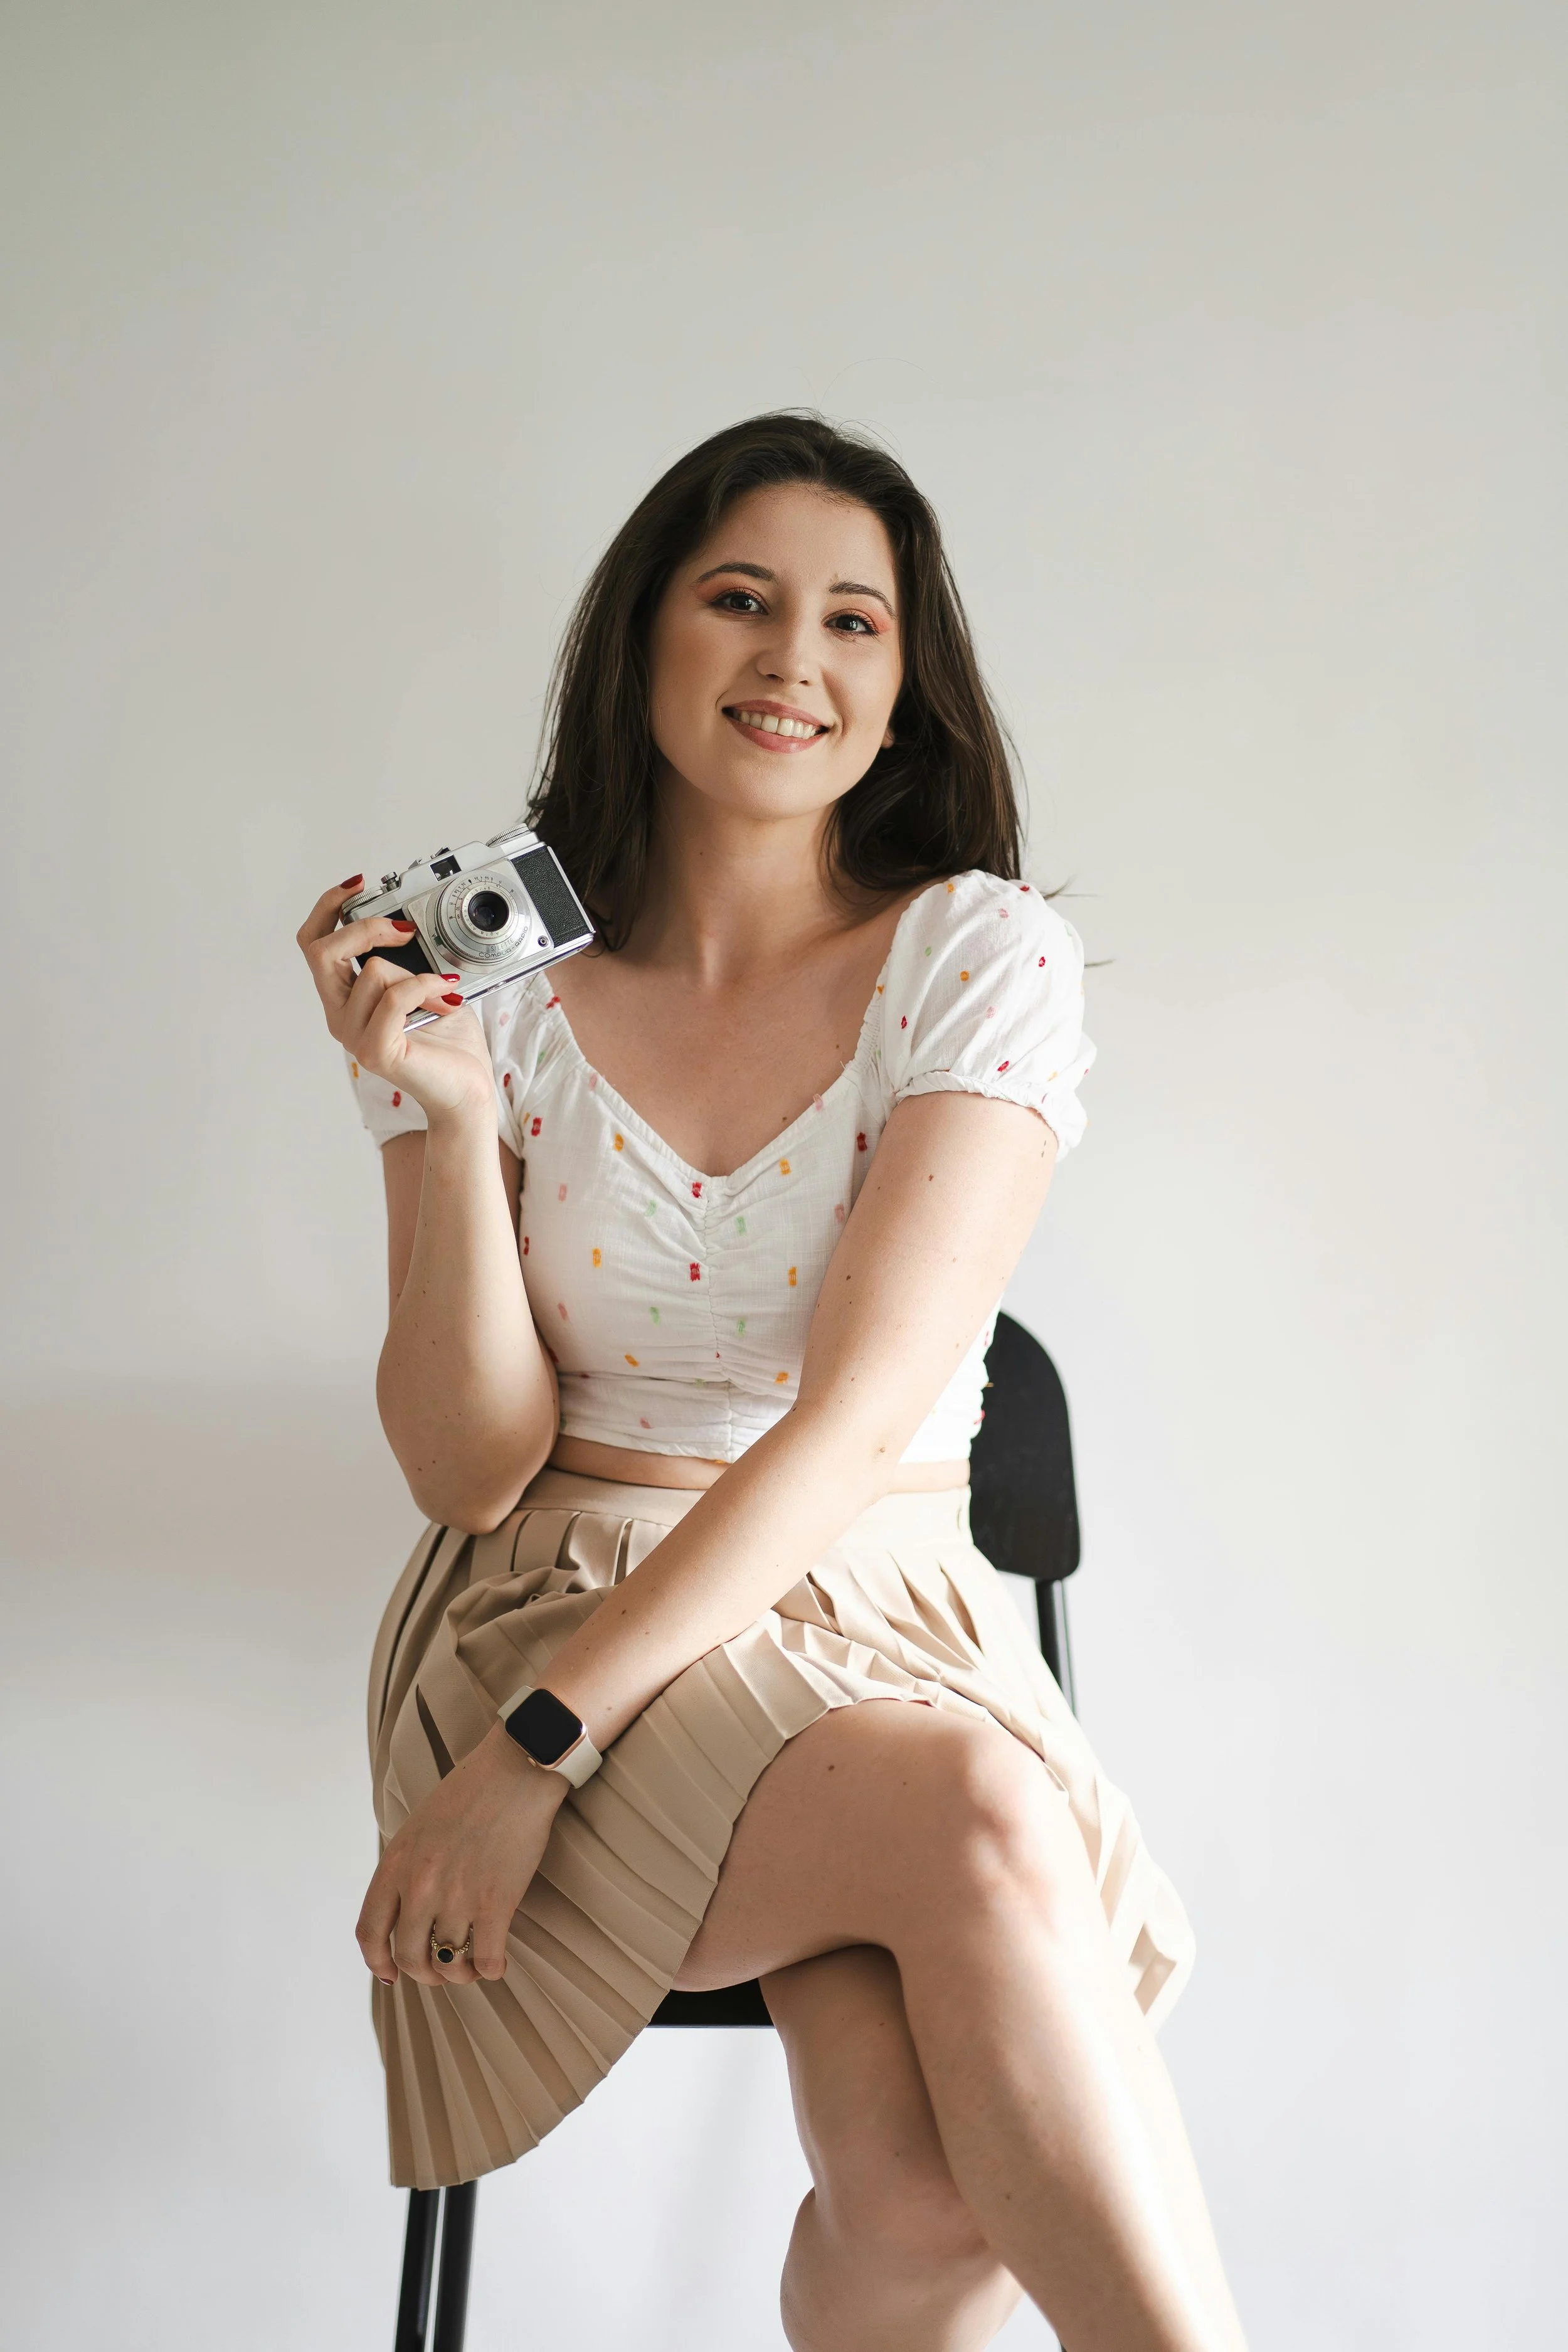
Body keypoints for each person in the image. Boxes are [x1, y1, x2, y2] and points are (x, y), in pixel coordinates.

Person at [297, 413, 1246, 2352]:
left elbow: (853, 1418)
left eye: (851, 621)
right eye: (737, 599)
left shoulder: (974, 955)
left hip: (865, 1629)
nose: (790, 661)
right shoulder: (481, 995)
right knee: (982, 1824)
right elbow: (470, 1462)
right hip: (555, 1620)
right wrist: (437, 1108)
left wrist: (533, 1755)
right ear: (640, 639)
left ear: (905, 693)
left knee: (924, 2201)